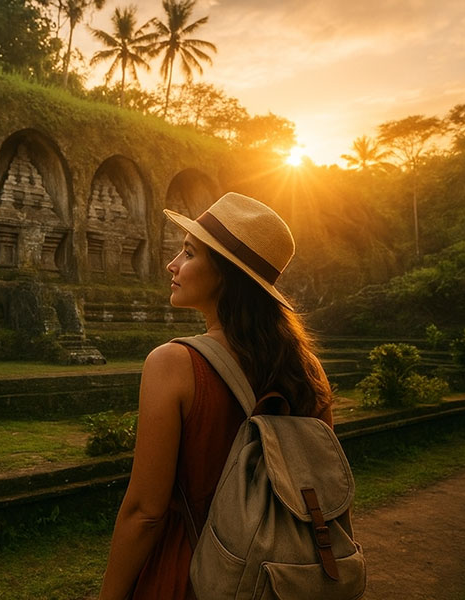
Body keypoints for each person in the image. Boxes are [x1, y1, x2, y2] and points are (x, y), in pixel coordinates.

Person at [98, 192, 334, 600]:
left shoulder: (173, 364)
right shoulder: (308, 370)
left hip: (191, 573)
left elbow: (145, 513)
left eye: (189, 254)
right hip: (278, 577)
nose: (173, 264)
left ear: (226, 274)